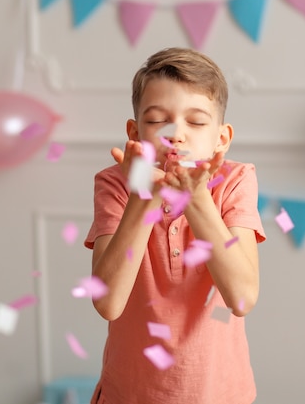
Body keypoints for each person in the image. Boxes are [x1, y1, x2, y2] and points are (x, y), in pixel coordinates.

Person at [84, 47, 266, 404]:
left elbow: (242, 298)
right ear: (134, 132)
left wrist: (197, 200)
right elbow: (108, 303)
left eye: (196, 121)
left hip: (220, 395)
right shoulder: (115, 184)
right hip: (129, 394)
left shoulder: (237, 181)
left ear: (222, 138)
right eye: (156, 121)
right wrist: (144, 198)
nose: (175, 134)